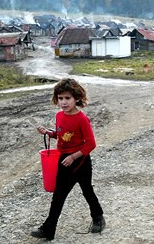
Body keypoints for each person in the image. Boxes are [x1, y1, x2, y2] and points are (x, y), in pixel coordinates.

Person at [31, 78, 105, 241]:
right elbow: (61, 135)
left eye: (67, 98)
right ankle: (48, 230)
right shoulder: (59, 116)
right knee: (58, 195)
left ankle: (98, 217)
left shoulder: (81, 119)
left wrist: (73, 156)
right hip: (64, 160)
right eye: (60, 98)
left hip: (81, 161)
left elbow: (91, 144)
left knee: (87, 191)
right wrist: (48, 133)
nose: (63, 102)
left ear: (76, 98)